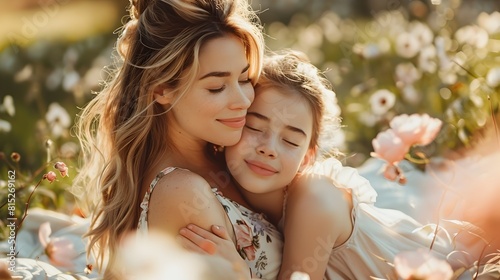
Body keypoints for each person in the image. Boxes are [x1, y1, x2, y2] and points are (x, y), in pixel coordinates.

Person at [179, 50, 465, 280]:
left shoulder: (313, 197)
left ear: (307, 157)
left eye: (290, 141)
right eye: (254, 127)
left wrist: (237, 274)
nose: (268, 149)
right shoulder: (226, 190)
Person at [73, 0, 283, 279]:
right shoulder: (183, 193)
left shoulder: (222, 152)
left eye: (244, 79)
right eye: (217, 87)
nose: (243, 100)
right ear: (162, 90)